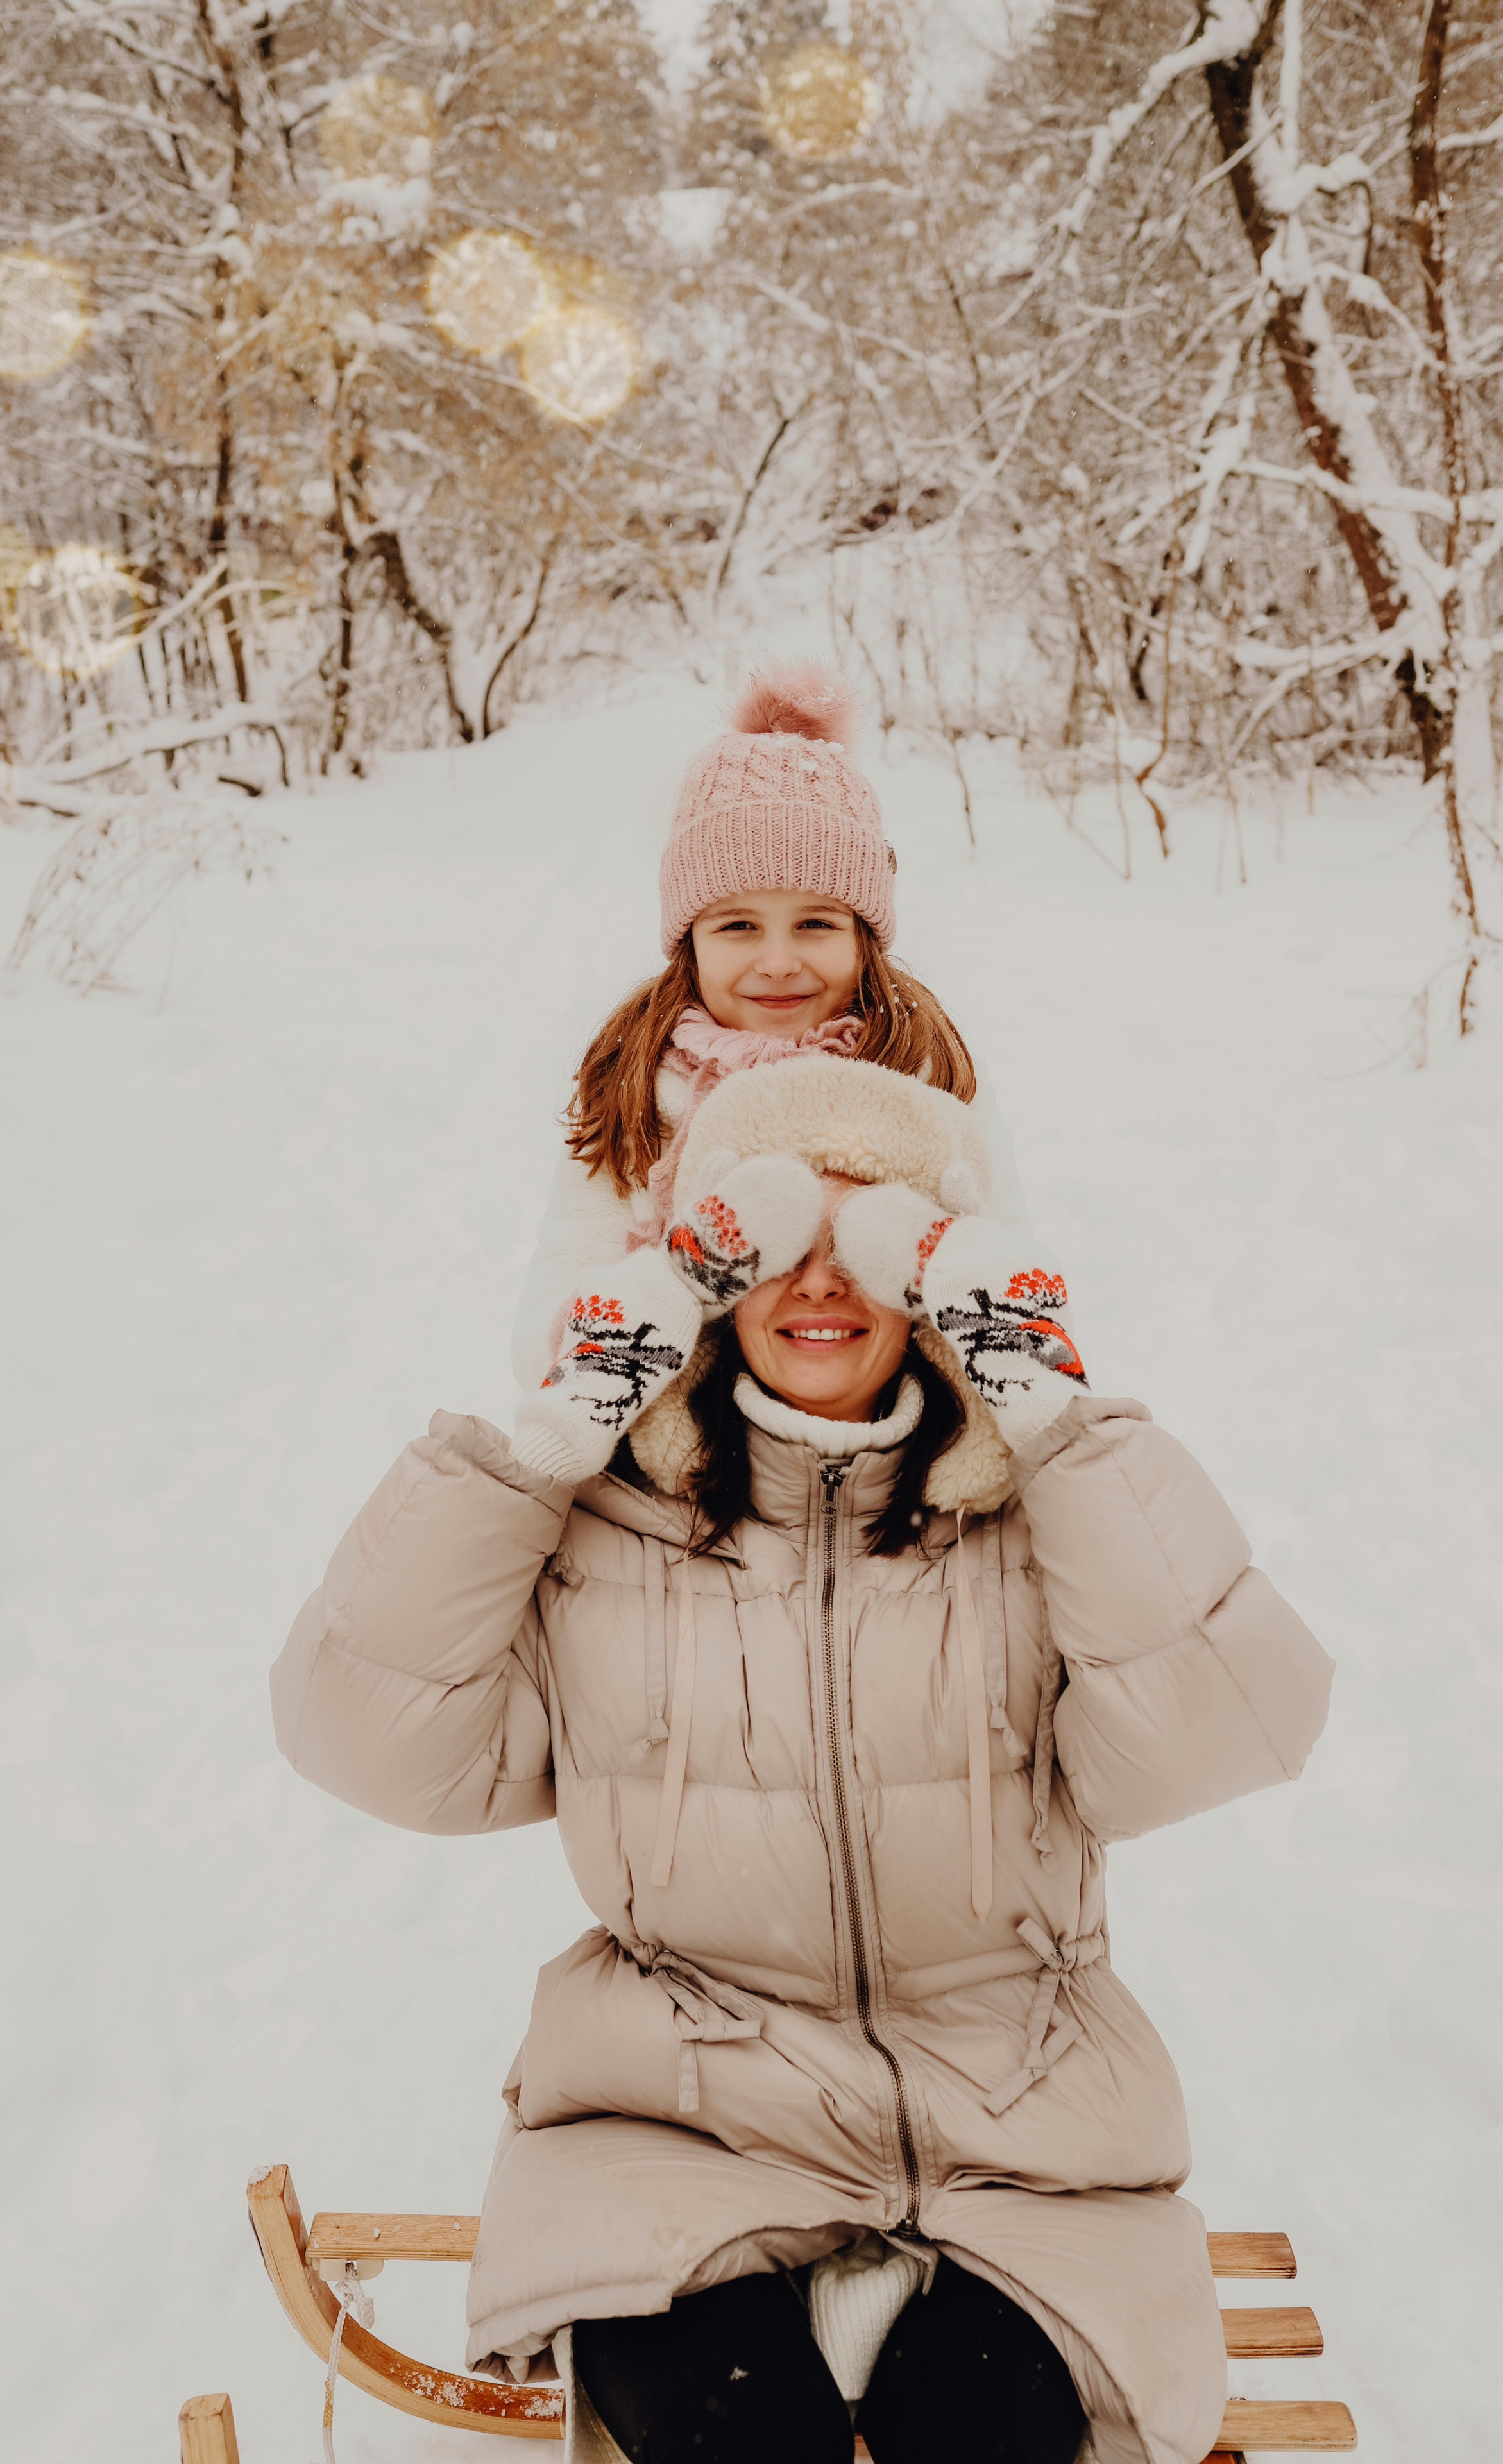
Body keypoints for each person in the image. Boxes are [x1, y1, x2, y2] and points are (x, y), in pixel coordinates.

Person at [271, 1046, 1334, 2464]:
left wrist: (1050, 1415)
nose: (822, 1280)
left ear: (938, 1282)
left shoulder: (1039, 1523)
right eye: (775, 1234)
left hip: (1025, 2140)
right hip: (680, 2125)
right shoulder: (602, 1527)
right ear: (700, 1280)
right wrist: (540, 1448)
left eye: (873, 1238)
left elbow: (1232, 1724)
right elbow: (367, 1740)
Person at [509, 659, 1025, 1392]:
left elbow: (1023, 1296)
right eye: (738, 925)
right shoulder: (636, 1090)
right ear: (689, 941)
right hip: (675, 1485)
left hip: (894, 1470)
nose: (777, 962)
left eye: (815, 922)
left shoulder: (925, 1075)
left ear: (864, 936)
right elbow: (544, 1348)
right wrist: (683, 1273)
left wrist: (946, 1263)